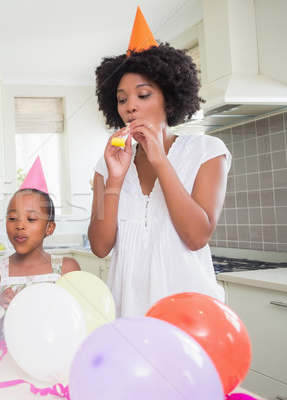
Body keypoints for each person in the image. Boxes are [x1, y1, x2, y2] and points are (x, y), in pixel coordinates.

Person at [87, 7, 230, 317]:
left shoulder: (206, 151)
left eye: (143, 95)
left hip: (192, 316)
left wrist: (161, 162)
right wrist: (113, 180)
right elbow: (100, 247)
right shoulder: (107, 164)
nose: (130, 107)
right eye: (122, 99)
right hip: (130, 317)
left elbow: (196, 237)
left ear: (169, 96)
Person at [0, 157, 80, 339]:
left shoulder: (67, 269)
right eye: (12, 218)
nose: (20, 225)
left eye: (31, 219)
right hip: (5, 363)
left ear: (49, 228)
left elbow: (76, 323)